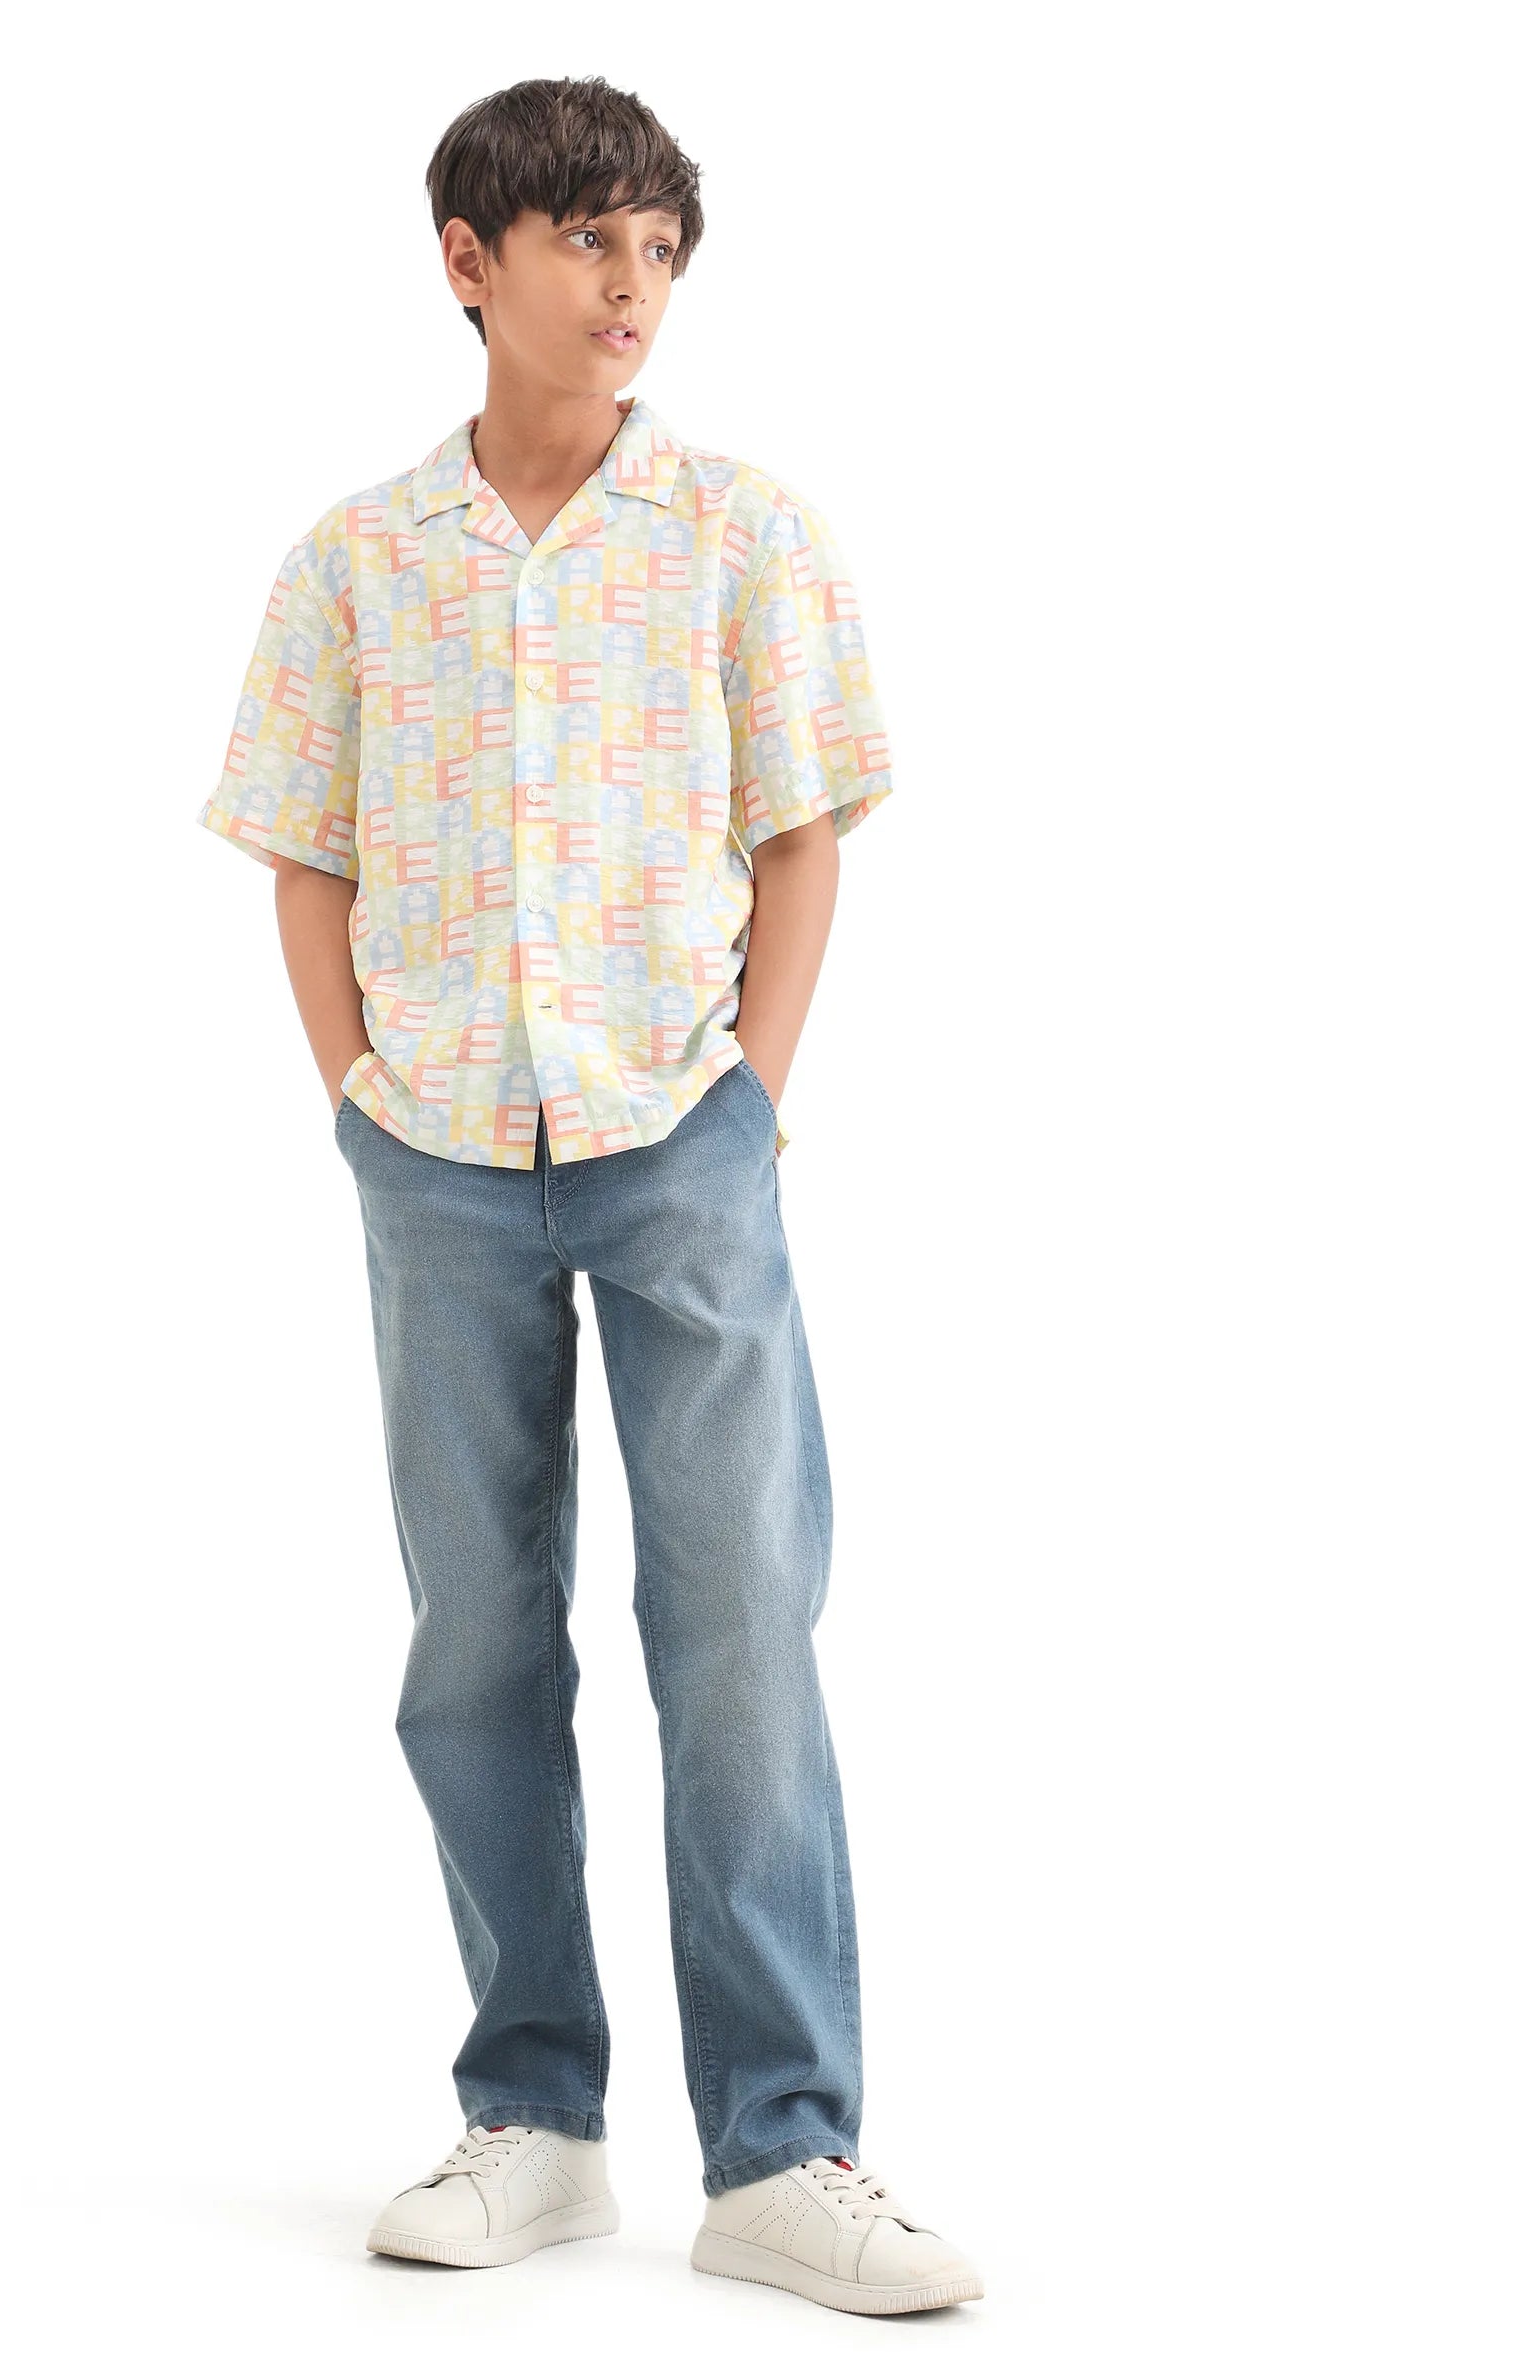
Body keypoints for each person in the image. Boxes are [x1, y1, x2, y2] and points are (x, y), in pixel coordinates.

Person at [197, 75, 981, 2320]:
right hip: (435, 1152)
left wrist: (751, 1098)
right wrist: (359, 1089)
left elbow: (804, 829)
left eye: (658, 248)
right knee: (473, 1636)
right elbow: (306, 845)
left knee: (738, 1626)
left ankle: (786, 2147)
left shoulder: (743, 532)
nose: (632, 286)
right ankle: (532, 2117)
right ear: (470, 261)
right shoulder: (356, 561)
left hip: (681, 1142)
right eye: (586, 242)